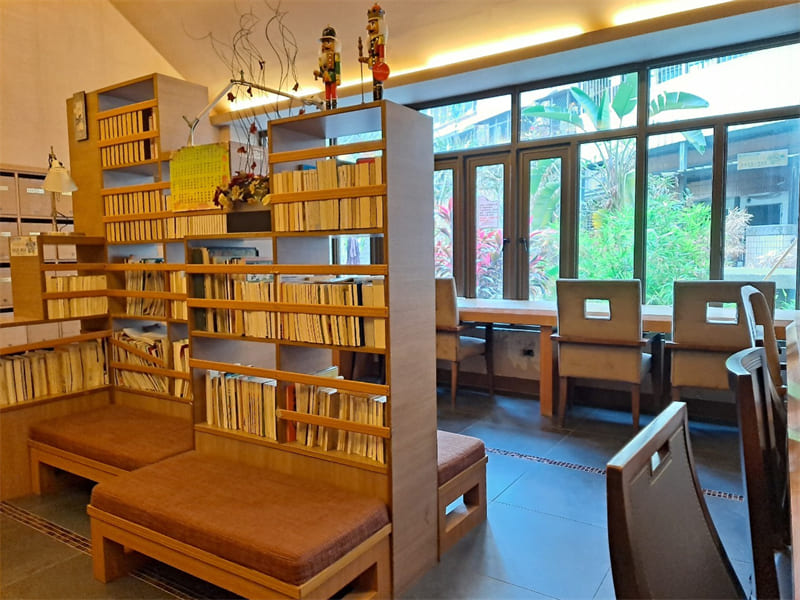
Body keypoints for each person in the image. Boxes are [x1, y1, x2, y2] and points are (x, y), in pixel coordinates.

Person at [358, 4, 389, 101]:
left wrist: (381, 64)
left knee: (378, 82)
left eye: (372, 24)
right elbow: (371, 57)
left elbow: (381, 54)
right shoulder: (370, 40)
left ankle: (378, 99)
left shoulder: (380, 39)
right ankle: (375, 99)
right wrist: (364, 59)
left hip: (378, 65)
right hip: (373, 63)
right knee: (374, 83)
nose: (368, 28)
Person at [314, 25, 341, 110]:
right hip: (326, 78)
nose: (325, 45)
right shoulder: (321, 59)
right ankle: (328, 106)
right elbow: (322, 72)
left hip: (332, 76)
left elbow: (337, 68)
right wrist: (318, 74)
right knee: (327, 93)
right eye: (323, 42)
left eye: (328, 42)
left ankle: (334, 106)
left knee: (333, 91)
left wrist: (338, 78)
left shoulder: (335, 56)